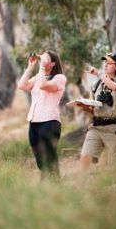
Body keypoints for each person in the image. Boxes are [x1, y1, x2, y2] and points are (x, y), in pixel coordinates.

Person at [18, 50, 67, 180]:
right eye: (42, 58)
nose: (42, 60)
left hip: (50, 121)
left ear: (52, 63)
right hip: (34, 122)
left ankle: (53, 181)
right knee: (39, 157)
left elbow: (44, 86)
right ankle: (49, 179)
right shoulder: (38, 77)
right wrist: (30, 67)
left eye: (45, 59)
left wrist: (41, 68)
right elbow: (21, 85)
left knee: (49, 155)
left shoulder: (59, 78)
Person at [79, 53, 116, 170]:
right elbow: (95, 108)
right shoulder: (96, 85)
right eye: (105, 63)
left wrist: (99, 74)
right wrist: (86, 107)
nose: (105, 65)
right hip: (96, 127)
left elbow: (115, 88)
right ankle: (89, 186)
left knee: (115, 168)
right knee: (85, 162)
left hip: (115, 129)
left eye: (109, 63)